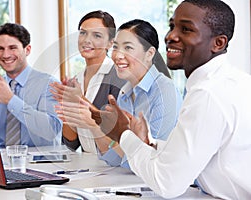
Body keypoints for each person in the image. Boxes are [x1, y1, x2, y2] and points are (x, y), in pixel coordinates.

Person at [100, 0, 251, 199]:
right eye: (172, 27)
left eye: (186, 29)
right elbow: (197, 151)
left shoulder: (208, 94)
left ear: (218, 43)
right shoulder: (228, 81)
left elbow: (167, 183)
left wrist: (123, 135)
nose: (170, 36)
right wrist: (148, 143)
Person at [55, 19, 183, 168]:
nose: (118, 55)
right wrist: (93, 126)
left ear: (149, 54)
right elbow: (115, 159)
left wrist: (94, 123)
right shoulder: (125, 94)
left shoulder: (164, 91)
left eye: (128, 48)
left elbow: (152, 159)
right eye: (116, 47)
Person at [51, 10, 126, 153]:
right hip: (88, 165)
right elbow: (71, 144)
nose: (86, 40)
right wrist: (67, 111)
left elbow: (119, 132)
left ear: (110, 43)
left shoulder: (118, 77)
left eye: (97, 35)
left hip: (115, 166)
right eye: (83, 33)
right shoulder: (77, 79)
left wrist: (80, 100)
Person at [0, 23, 62, 148]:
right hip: (2, 163)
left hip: (41, 164)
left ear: (27, 50)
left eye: (12, 48)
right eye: (1, 49)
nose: (6, 55)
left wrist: (11, 100)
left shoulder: (49, 84)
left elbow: (51, 131)